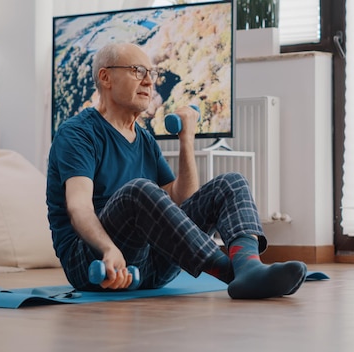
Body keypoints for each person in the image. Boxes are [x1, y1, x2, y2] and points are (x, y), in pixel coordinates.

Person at [46, 43, 307, 299]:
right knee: (139, 190)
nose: (149, 82)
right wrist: (108, 248)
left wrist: (187, 140)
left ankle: (249, 267)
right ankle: (231, 273)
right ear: (106, 77)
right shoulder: (78, 133)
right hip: (97, 261)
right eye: (138, 71)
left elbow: (182, 202)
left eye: (152, 73)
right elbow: (78, 208)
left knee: (232, 182)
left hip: (150, 265)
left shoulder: (145, 139)